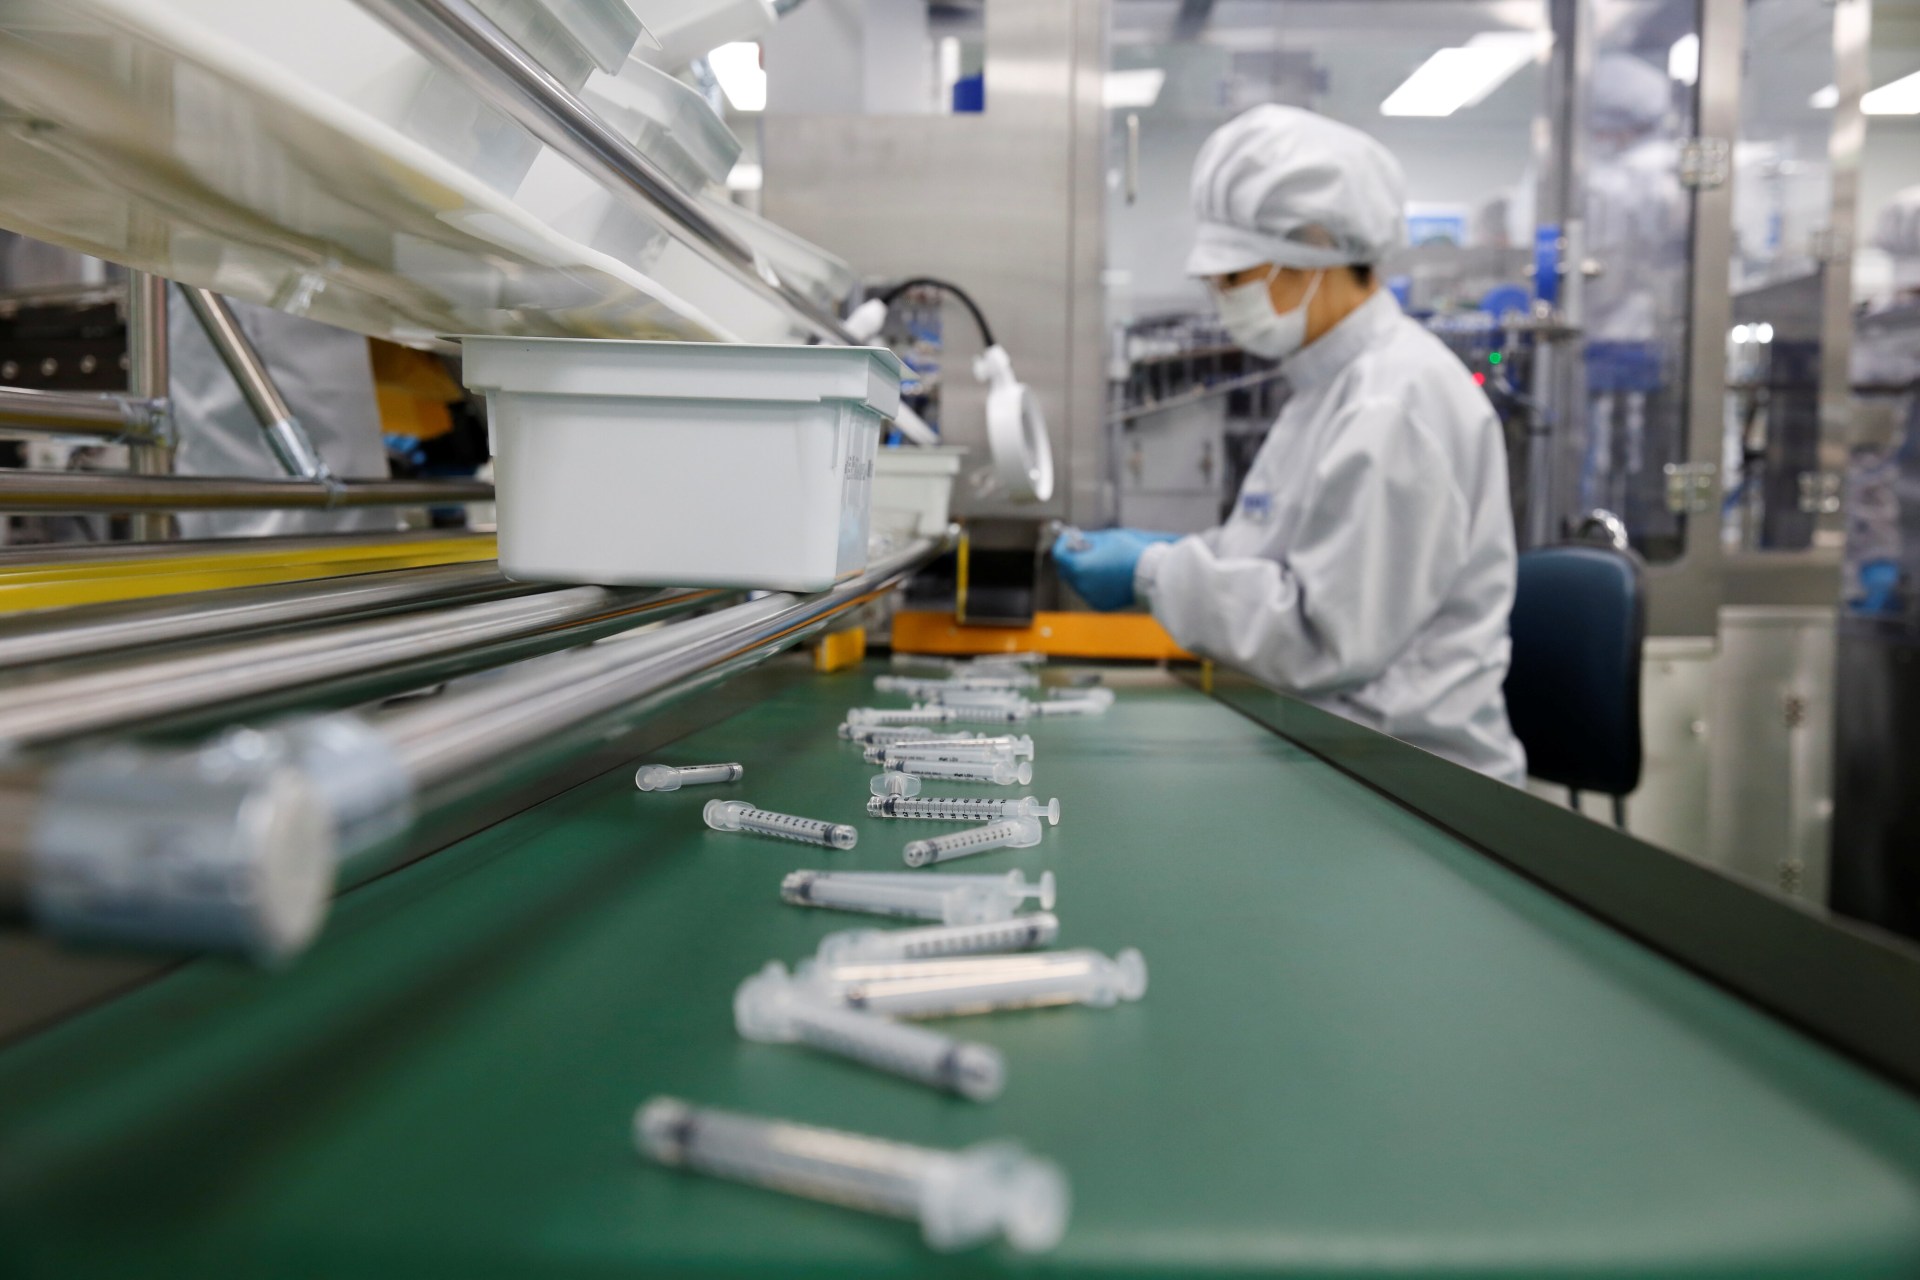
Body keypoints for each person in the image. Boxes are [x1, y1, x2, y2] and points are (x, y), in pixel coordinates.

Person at [1053, 105, 1526, 784]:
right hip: (1340, 750)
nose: (1219, 296)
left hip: (1417, 783)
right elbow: (1269, 556)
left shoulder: (1395, 403)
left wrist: (1153, 572)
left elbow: (1324, 635)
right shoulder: (1327, 387)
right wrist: (1182, 555)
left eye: (1235, 276)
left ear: (1317, 254)